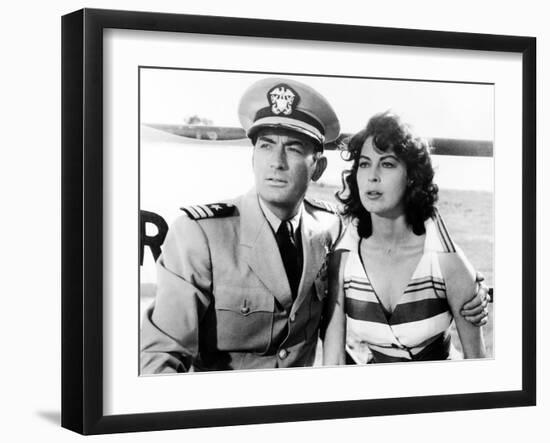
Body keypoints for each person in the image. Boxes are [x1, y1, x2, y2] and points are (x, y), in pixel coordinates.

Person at [141, 79, 488, 373]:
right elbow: (160, 358)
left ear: (318, 168)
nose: (275, 163)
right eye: (265, 146)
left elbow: (399, 220)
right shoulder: (199, 233)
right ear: (253, 156)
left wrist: (469, 288)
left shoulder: (331, 229)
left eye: (292, 149)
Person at [323, 111, 487, 365]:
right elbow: (332, 363)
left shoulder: (446, 262)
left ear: (411, 176)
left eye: (387, 164)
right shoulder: (343, 260)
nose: (372, 175)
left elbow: (478, 363)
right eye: (364, 164)